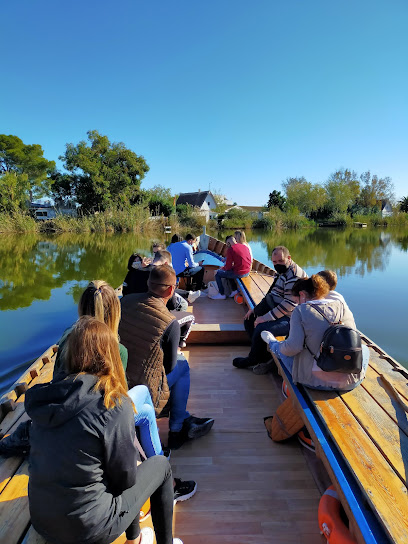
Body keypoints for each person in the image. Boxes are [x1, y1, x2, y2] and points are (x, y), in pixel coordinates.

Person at [26, 316, 184, 544]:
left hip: (43, 520)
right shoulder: (112, 405)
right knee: (160, 466)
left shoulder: (43, 398)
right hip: (89, 530)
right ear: (109, 355)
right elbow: (126, 480)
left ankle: (135, 538)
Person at [119, 264, 214, 450]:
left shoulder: (126, 301)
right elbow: (169, 368)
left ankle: (182, 418)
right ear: (171, 289)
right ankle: (177, 429)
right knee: (182, 366)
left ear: (148, 283)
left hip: (121, 376)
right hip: (145, 387)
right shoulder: (169, 322)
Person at [261, 274, 368, 391]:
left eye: (296, 301)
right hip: (351, 382)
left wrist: (280, 345)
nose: (297, 304)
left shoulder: (301, 311)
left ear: (302, 295)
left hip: (314, 381)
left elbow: (293, 348)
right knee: (365, 349)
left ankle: (272, 343)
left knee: (282, 350)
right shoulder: (342, 306)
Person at [233, 245, 307, 371]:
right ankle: (263, 354)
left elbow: (289, 305)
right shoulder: (282, 272)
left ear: (289, 258)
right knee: (250, 318)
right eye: (274, 262)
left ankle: (253, 358)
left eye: (281, 261)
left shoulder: (294, 276)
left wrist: (264, 318)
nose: (277, 265)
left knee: (262, 327)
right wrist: (255, 311)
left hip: (293, 318)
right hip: (279, 309)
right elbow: (271, 294)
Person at [122, 251, 197, 348]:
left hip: (133, 313)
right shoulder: (160, 275)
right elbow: (173, 304)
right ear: (166, 263)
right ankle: (178, 342)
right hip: (155, 319)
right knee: (186, 311)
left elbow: (125, 291)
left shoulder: (132, 273)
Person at [210, 235, 252, 300]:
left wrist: (221, 269)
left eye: (227, 244)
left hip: (240, 273)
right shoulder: (244, 246)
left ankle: (222, 294)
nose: (227, 246)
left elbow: (228, 267)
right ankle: (234, 290)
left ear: (228, 243)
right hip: (247, 271)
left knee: (217, 274)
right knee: (230, 272)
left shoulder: (231, 249)